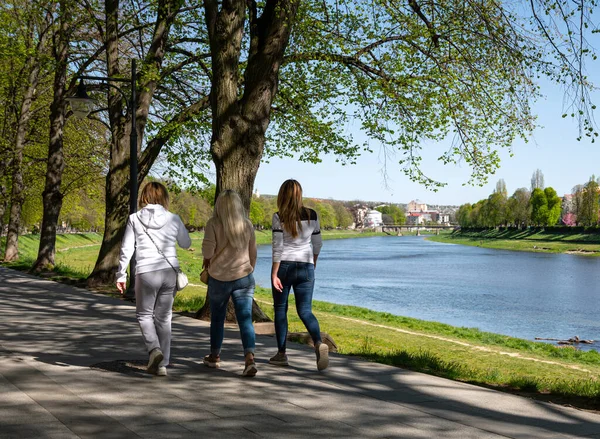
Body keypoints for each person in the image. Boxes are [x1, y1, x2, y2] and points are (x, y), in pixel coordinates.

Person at [116, 182, 191, 377]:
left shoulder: (134, 219)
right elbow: (186, 243)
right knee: (164, 318)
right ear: (164, 197)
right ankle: (163, 363)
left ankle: (154, 349)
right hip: (169, 272)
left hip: (146, 271)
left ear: (144, 196)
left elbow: (127, 249)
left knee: (144, 315)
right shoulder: (173, 218)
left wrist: (121, 274)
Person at [270, 179, 328, 371]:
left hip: (285, 266)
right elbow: (318, 244)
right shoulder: (312, 214)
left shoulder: (279, 216)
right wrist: (314, 262)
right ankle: (319, 343)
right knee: (305, 310)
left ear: (282, 195)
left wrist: (274, 272)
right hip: (306, 266)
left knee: (280, 309)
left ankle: (281, 354)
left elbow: (278, 247)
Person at [201, 190, 258, 377]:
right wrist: (249, 269)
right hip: (243, 277)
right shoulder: (247, 225)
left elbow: (208, 252)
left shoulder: (213, 224)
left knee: (217, 318)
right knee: (245, 319)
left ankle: (215, 356)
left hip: (219, 278)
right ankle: (249, 357)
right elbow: (253, 253)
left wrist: (208, 259)